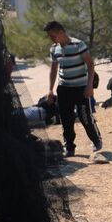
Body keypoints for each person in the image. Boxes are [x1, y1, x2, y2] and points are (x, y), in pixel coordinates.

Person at [43, 21, 103, 158]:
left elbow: (90, 65)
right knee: (66, 119)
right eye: (49, 36)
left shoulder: (78, 44)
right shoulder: (54, 49)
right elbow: (53, 69)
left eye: (53, 36)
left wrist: (89, 86)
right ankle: (69, 147)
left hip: (81, 88)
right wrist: (50, 90)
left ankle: (96, 140)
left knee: (84, 116)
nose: (51, 39)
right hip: (64, 88)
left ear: (61, 33)